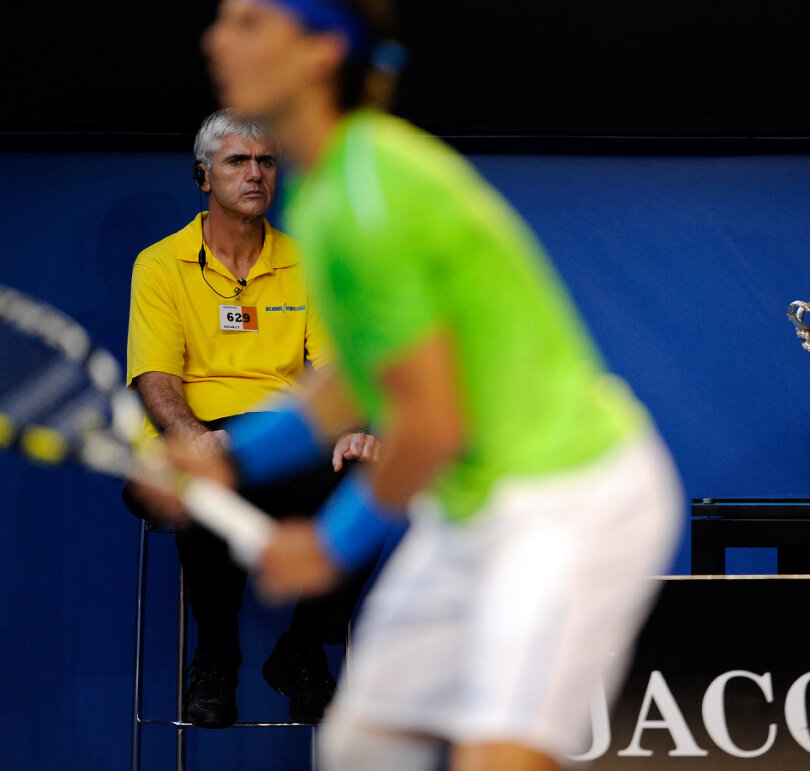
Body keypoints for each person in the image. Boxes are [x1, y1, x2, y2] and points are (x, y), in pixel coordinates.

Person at [189, 1, 684, 768]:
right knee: (361, 750)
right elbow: (355, 381)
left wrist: (330, 543)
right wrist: (233, 457)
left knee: (497, 757)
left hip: (569, 496)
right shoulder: (326, 195)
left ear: (320, 53)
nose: (217, 39)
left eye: (250, 21)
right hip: (472, 505)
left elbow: (430, 422)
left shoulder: (372, 194)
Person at [124, 108, 387, 729]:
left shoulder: (309, 263)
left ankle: (302, 648)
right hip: (190, 444)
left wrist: (352, 428)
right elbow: (156, 379)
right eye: (237, 162)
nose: (255, 175)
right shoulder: (159, 265)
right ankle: (215, 660)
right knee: (207, 477)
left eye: (266, 162)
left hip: (283, 442)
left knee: (378, 478)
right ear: (202, 176)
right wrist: (194, 438)